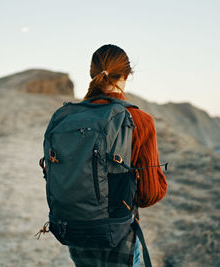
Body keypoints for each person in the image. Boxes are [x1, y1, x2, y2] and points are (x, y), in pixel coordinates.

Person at [67, 44, 167, 267]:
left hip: (75, 232)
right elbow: (149, 195)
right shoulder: (138, 119)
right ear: (127, 74)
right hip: (119, 235)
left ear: (91, 74)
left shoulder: (69, 118)